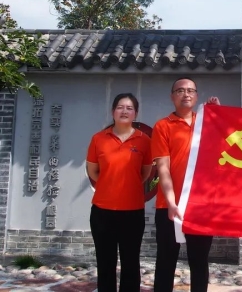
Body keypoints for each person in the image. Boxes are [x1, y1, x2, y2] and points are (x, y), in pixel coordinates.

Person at [152, 77, 220, 292]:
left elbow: (223, 151)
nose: (186, 94)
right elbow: (163, 168)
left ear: (197, 96)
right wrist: (172, 203)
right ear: (172, 96)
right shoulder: (163, 126)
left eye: (190, 90)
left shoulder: (206, 123)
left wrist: (218, 115)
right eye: (180, 90)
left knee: (199, 261)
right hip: (168, 205)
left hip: (200, 205)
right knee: (166, 260)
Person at [86, 93, 153, 292]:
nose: (124, 111)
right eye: (120, 107)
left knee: (131, 262)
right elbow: (93, 171)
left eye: (129, 108)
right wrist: (110, 183)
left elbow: (145, 173)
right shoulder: (98, 139)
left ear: (135, 113)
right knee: (105, 262)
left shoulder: (144, 140)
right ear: (113, 111)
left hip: (132, 211)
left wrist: (128, 184)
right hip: (102, 211)